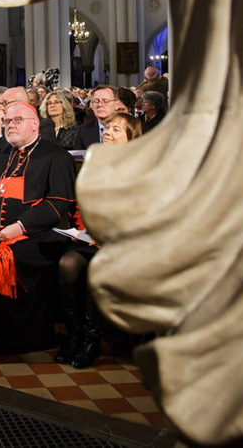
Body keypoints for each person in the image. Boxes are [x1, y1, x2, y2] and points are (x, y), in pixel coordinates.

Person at [0, 102, 77, 353]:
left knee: (1, 266)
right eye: (7, 121)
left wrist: (19, 228)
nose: (10, 125)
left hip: (37, 236)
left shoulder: (56, 156)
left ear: (35, 124)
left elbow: (58, 205)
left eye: (17, 120)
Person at [56, 112, 142, 369]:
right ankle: (75, 335)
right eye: (108, 127)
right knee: (67, 265)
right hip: (92, 239)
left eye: (117, 129)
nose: (108, 132)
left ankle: (92, 342)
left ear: (131, 137)